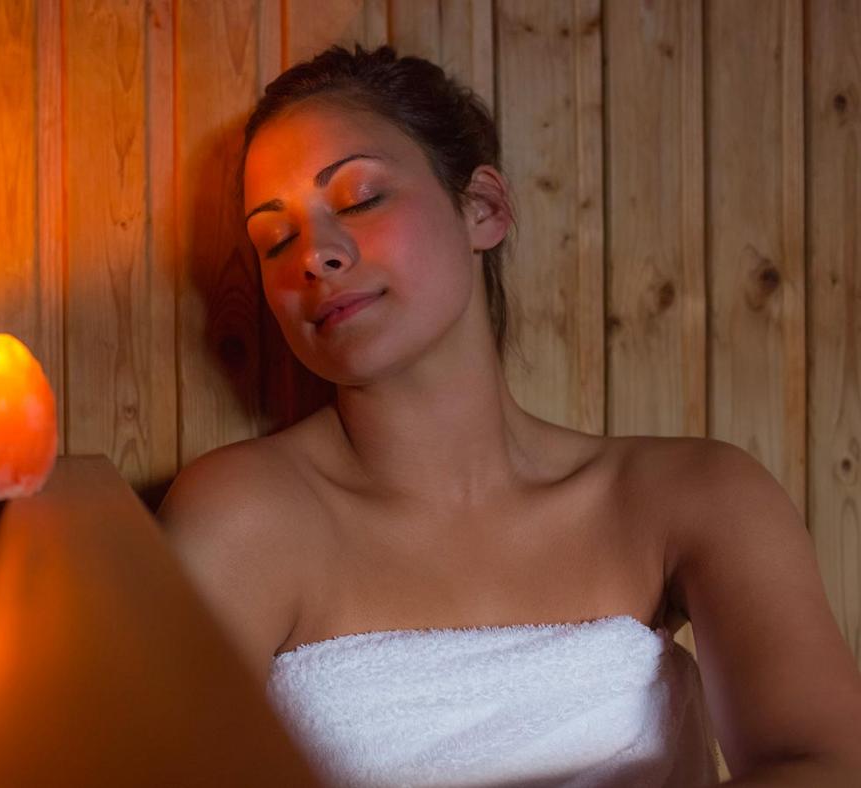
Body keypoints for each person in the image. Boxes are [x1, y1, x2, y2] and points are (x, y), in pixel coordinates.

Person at [157, 45, 861, 787]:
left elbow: (827, 763)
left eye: (361, 199)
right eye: (276, 238)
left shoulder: (692, 494)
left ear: (482, 209)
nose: (315, 255)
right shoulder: (245, 515)